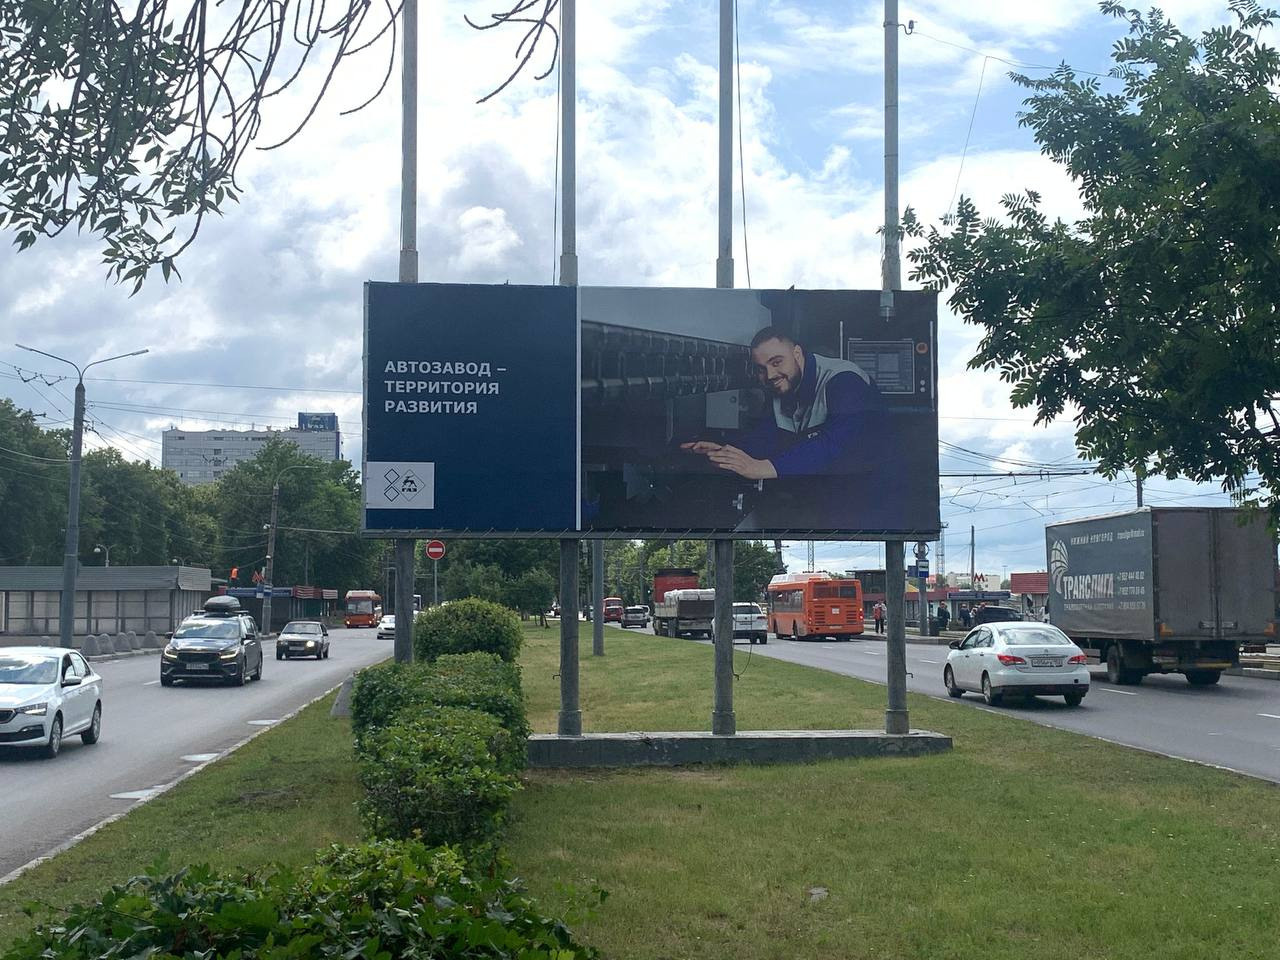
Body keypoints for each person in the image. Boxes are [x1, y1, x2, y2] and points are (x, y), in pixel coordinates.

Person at [681, 326, 885, 480]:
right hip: (827, 482)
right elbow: (765, 437)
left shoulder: (844, 380)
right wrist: (725, 451)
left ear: (797, 354)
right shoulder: (783, 386)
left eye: (776, 362)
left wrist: (761, 468)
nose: (769, 375)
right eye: (761, 368)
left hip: (871, 483)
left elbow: (833, 444)